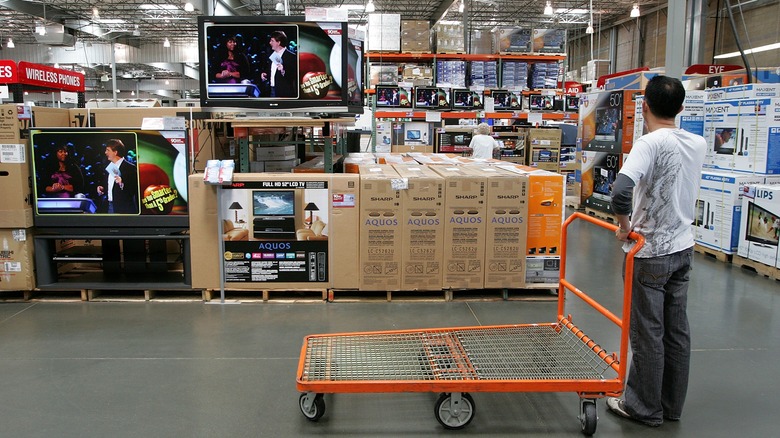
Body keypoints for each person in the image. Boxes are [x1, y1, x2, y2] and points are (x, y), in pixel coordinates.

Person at [607, 75, 707, 427]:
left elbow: (621, 191)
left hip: (649, 253)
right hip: (683, 248)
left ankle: (642, 407)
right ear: (681, 108)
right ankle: (670, 405)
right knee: (676, 330)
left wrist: (624, 226)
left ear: (644, 105)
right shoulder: (698, 143)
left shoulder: (649, 143)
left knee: (648, 332)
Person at [97, 139, 139, 214]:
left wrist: (122, 183)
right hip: (110, 206)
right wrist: (103, 188)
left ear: (115, 152)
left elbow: (134, 189)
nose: (105, 152)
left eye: (108, 150)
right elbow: (111, 186)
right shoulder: (109, 166)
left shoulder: (130, 168)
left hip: (123, 209)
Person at [260, 31, 298, 97]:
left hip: (284, 93)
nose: (270, 43)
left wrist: (283, 70)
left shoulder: (291, 56)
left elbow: (293, 75)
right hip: (272, 90)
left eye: (272, 41)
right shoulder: (272, 55)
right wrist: (265, 74)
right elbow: (272, 72)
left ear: (278, 42)